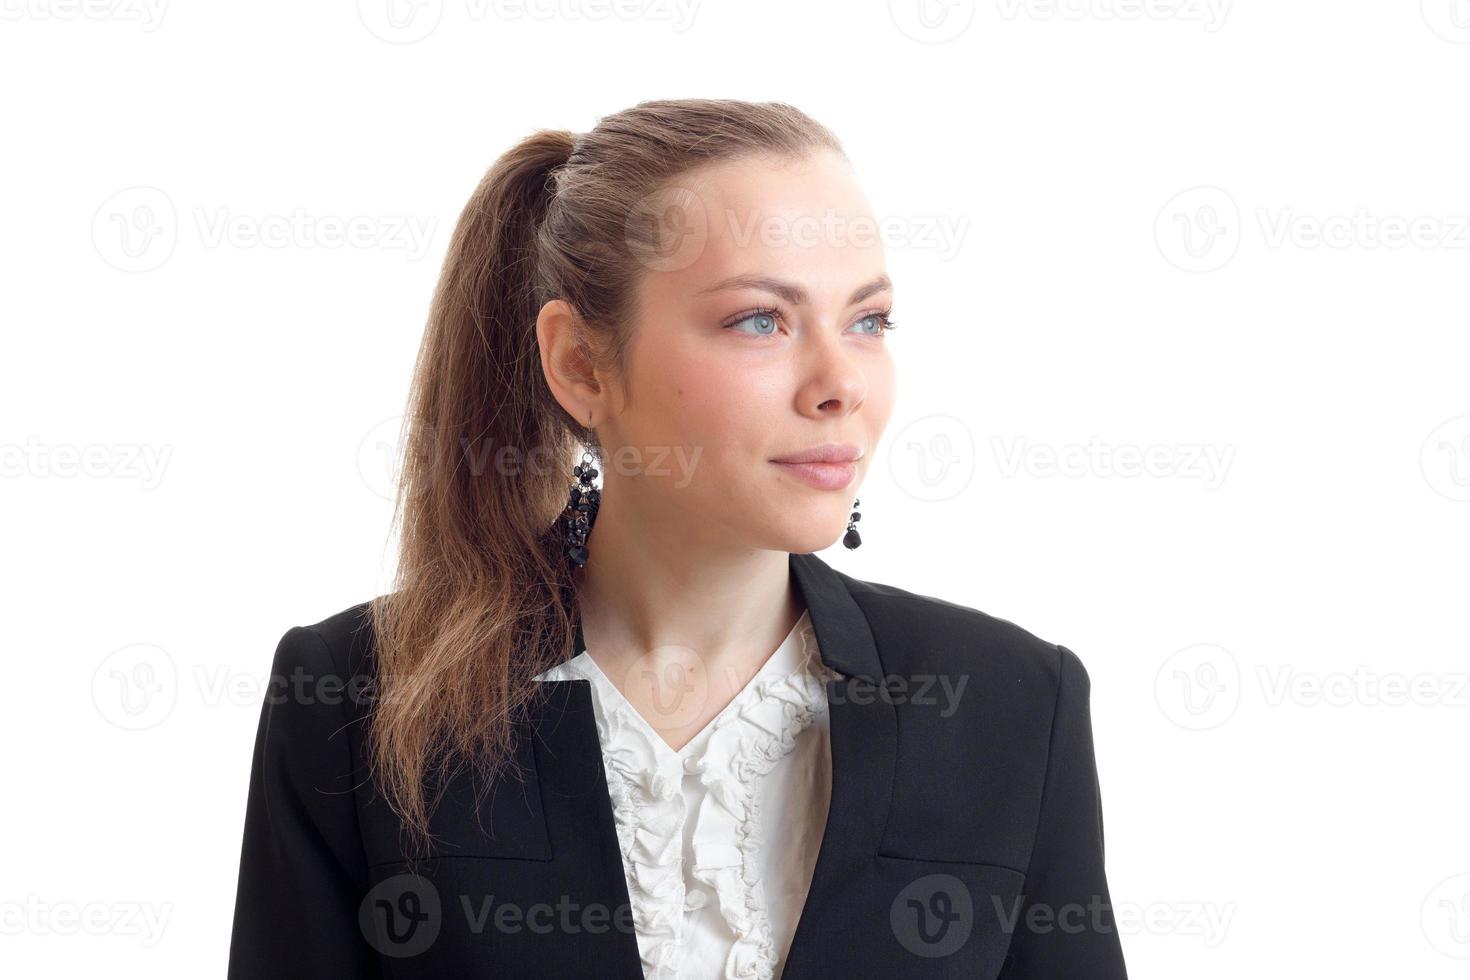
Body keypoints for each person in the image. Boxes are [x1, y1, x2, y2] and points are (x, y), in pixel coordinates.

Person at [227, 97, 1128, 980]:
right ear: (581, 364)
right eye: (759, 320)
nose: (839, 383)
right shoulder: (355, 697)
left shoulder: (1009, 705)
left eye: (868, 321)